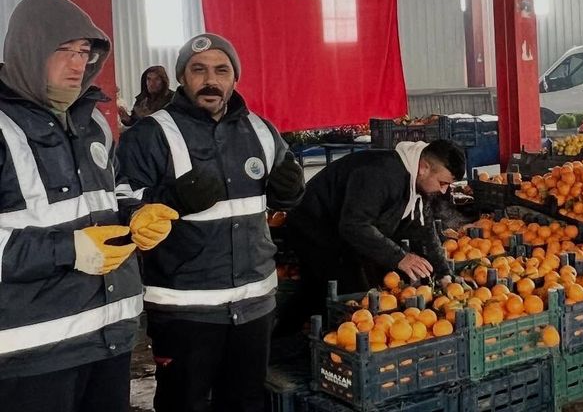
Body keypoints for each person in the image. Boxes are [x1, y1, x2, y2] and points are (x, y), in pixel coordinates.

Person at [0, 0, 177, 412]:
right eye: (64, 51)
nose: (78, 64)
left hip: (110, 335)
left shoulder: (92, 121)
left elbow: (113, 192)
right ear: (29, 49)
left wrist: (137, 214)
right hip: (32, 351)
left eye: (84, 52)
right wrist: (68, 249)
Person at [117, 33, 305, 412]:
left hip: (253, 304)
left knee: (246, 403)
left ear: (234, 78)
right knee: (184, 403)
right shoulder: (151, 134)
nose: (210, 80)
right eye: (198, 70)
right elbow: (119, 203)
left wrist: (290, 192)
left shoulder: (261, 130)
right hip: (185, 308)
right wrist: (170, 200)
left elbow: (282, 196)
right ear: (182, 78)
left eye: (221, 70)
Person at [278, 140, 465, 334]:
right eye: (443, 183)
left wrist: (444, 273)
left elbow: (424, 229)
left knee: (328, 289)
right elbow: (354, 226)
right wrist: (399, 257)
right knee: (350, 293)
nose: (443, 191)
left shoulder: (416, 181)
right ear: (424, 168)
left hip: (341, 230)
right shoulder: (381, 175)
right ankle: (297, 340)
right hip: (314, 224)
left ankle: (293, 338)